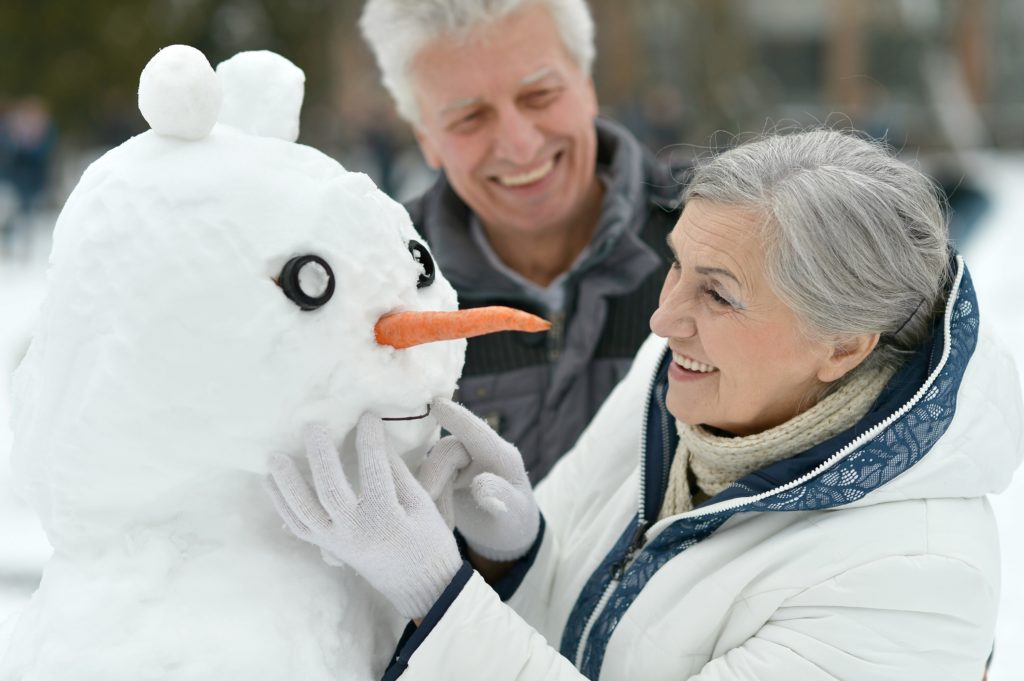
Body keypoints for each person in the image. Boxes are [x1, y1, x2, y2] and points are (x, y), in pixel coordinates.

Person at [267, 129, 1024, 680]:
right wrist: (520, 552)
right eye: (678, 269)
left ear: (843, 344)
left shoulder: (915, 579)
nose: (663, 320)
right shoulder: (682, 380)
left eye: (719, 292)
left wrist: (437, 592)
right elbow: (577, 633)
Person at [359, 0, 684, 481]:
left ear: (587, 86)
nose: (519, 144)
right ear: (426, 139)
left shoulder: (719, 246)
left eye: (540, 95)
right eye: (469, 117)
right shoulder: (373, 289)